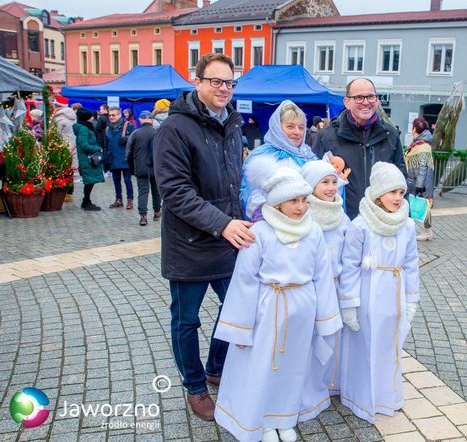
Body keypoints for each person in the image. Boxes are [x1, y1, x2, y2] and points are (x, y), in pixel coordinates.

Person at [153, 53, 253, 421]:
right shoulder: (174, 129)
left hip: (227, 242)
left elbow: (232, 183)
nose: (224, 88)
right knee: (187, 321)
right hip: (189, 246)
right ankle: (195, 386)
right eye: (216, 81)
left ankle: (215, 366)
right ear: (197, 82)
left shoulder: (233, 125)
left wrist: (244, 218)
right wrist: (224, 223)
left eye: (229, 82)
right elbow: (176, 192)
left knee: (237, 310)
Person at [214, 167, 341, 442]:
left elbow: (322, 276)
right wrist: (240, 327)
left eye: (304, 200)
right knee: (263, 365)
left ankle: (284, 416)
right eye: (293, 201)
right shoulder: (259, 232)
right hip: (268, 309)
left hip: (301, 309)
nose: (301, 207)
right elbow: (244, 281)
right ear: (277, 203)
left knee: (293, 366)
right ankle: (262, 419)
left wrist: (327, 318)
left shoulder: (313, 231)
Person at [339, 161, 420, 424]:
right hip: (368, 294)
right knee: (365, 343)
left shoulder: (407, 225)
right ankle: (360, 396)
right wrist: (349, 304)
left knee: (389, 345)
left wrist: (411, 299)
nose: (398, 198)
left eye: (401, 192)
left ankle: (388, 395)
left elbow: (411, 263)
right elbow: (350, 266)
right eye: (392, 192)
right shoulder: (361, 225)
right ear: (377, 194)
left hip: (394, 293)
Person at [299, 160, 350, 419]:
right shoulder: (302, 215)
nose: (331, 188)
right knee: (310, 339)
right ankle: (307, 388)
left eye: (334, 182)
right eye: (325, 182)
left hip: (337, 287)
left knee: (333, 338)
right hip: (312, 288)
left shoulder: (342, 215)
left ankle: (331, 381)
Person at [313, 78, 406, 219]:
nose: (366, 102)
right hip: (340, 221)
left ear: (377, 100)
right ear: (347, 102)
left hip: (380, 222)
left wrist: (404, 217)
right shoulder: (327, 136)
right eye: (359, 97)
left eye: (370, 96)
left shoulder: (390, 134)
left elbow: (401, 179)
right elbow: (313, 181)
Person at [241, 100, 317, 220]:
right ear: (277, 127)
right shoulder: (262, 156)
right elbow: (250, 195)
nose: (297, 132)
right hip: (273, 224)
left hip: (306, 223)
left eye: (301, 127)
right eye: (290, 126)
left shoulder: (309, 157)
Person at [126, 111, 160, 226]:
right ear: (151, 120)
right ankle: (157, 212)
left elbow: (128, 152)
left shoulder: (135, 134)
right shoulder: (158, 132)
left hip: (141, 167)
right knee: (157, 191)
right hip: (156, 168)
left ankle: (143, 216)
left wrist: (131, 167)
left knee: (143, 192)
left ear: (140, 120)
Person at [405, 117, 435, 241]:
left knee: (423, 206)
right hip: (415, 180)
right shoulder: (418, 143)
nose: (411, 130)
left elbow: (423, 166)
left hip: (421, 182)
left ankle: (426, 232)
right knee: (420, 206)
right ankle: (426, 232)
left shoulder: (423, 145)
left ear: (416, 129)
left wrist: (419, 185)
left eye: (413, 127)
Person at [104, 106, 136, 209]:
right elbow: (106, 144)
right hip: (113, 158)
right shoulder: (108, 128)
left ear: (119, 115)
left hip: (125, 158)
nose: (111, 117)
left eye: (113, 115)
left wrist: (126, 138)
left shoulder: (128, 125)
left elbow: (136, 138)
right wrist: (106, 158)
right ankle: (118, 199)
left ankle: (130, 200)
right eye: (110, 115)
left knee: (127, 180)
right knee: (116, 181)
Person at [73, 108, 105, 211]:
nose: (92, 118)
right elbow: (84, 145)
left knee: (90, 181)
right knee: (89, 181)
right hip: (87, 159)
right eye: (90, 116)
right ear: (86, 118)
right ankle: (86, 202)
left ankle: (86, 201)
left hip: (87, 158)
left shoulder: (85, 127)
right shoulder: (83, 129)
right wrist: (98, 148)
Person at [51, 96, 78, 202]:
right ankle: (69, 192)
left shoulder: (59, 119)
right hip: (72, 145)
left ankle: (63, 192)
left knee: (62, 170)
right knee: (70, 170)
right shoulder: (72, 116)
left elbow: (55, 134)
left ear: (58, 106)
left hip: (63, 147)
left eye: (55, 105)